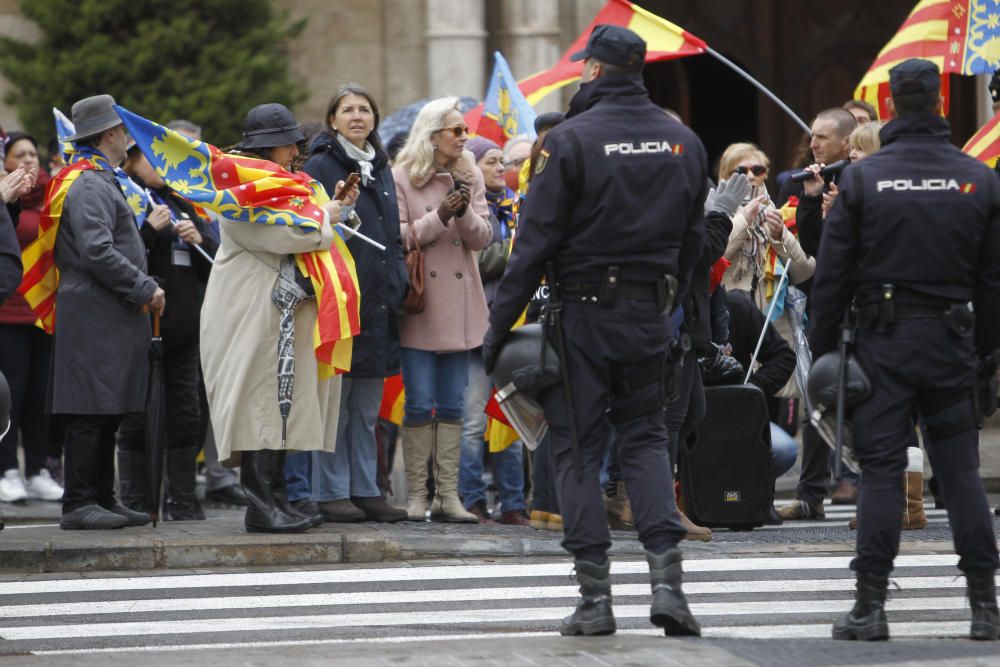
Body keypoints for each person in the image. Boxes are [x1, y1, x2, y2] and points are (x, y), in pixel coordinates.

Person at [483, 25, 720, 637]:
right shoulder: (682, 140)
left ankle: (595, 600)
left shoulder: (570, 141)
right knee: (643, 441)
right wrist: (679, 305)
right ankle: (670, 588)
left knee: (578, 451)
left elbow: (533, 245)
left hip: (582, 315)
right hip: (648, 313)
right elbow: (694, 240)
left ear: (592, 71)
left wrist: (498, 327)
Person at [810, 58, 1000, 641]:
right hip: (952, 342)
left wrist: (824, 353)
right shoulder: (978, 177)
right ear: (940, 102)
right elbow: (993, 282)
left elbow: (833, 278)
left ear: (890, 105)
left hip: (882, 345)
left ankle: (870, 607)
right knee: (961, 476)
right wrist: (987, 356)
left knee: (883, 477)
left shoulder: (864, 180)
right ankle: (984, 608)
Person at [200, 103, 355, 533]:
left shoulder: (278, 184)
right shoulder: (240, 190)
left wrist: (334, 208)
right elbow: (287, 234)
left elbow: (304, 226)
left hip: (275, 310)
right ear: (271, 147)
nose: (295, 152)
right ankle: (261, 506)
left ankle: (277, 498)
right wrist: (328, 216)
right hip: (250, 311)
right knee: (259, 403)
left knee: (281, 402)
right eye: (289, 144)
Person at [51, 95, 162, 530]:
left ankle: (101, 496)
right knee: (89, 409)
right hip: (95, 311)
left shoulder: (99, 179)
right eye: (124, 130)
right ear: (111, 134)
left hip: (106, 311)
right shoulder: (90, 183)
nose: (129, 138)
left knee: (107, 406)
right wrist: (144, 286)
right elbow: (97, 250)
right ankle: (80, 503)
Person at [303, 83, 408, 524]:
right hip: (340, 297)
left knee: (367, 408)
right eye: (347, 109)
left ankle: (367, 489)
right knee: (336, 406)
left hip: (380, 299)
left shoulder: (381, 166)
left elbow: (391, 233)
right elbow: (315, 227)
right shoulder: (320, 165)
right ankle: (330, 491)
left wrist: (399, 278)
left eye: (365, 109)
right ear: (332, 120)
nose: (357, 116)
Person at [392, 98, 492, 524]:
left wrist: (463, 206)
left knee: (453, 405)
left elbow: (482, 238)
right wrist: (439, 216)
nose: (464, 137)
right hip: (421, 304)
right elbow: (397, 236)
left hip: (462, 304)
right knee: (418, 404)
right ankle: (417, 494)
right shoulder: (401, 176)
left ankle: (448, 497)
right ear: (432, 135)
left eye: (464, 130)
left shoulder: (468, 174)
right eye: (455, 131)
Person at [118, 142, 217, 520]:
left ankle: (183, 498)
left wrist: (200, 241)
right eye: (149, 157)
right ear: (131, 162)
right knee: (137, 416)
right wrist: (149, 231)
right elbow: (121, 259)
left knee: (186, 416)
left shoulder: (182, 202)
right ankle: (136, 499)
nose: (159, 166)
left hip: (184, 331)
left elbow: (213, 266)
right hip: (142, 328)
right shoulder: (126, 197)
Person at [777, 107, 859, 519]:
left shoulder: (864, 186)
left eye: (823, 138)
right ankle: (811, 495)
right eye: (812, 136)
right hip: (828, 310)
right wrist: (812, 203)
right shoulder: (820, 182)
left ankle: (895, 493)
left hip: (867, 313)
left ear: (849, 143)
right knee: (818, 400)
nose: (814, 144)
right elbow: (815, 259)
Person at [458, 135, 528, 526]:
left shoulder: (520, 208)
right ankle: (473, 500)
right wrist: (518, 249)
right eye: (492, 162)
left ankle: (514, 503)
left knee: (512, 421)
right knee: (472, 422)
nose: (502, 168)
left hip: (515, 328)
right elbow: (479, 260)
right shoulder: (468, 208)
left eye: (504, 161)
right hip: (477, 329)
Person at [0, 133, 63, 504]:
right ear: (5, 162)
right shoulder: (7, 201)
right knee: (14, 395)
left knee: (42, 395)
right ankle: (8, 469)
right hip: (9, 312)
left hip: (46, 310)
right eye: (18, 154)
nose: (27, 159)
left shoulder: (53, 197)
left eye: (32, 153)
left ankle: (38, 469)